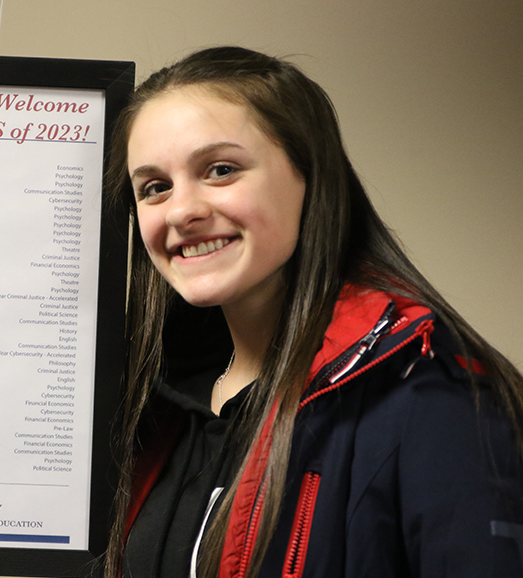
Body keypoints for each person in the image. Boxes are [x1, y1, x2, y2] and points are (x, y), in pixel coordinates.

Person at [102, 46, 523, 578]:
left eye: (221, 169)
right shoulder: (151, 412)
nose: (183, 210)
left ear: (310, 176)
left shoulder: (427, 386)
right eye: (155, 187)